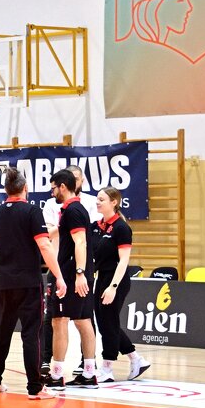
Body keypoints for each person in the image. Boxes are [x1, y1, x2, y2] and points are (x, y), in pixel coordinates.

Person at [0, 167, 65, 398]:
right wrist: (59, 276)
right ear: (25, 188)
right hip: (28, 283)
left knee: (1, 333)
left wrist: (4, 246)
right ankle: (35, 388)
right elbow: (44, 245)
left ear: (6, 189)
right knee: (32, 334)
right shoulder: (31, 211)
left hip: (4, 283)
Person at [38, 163, 98, 377]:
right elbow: (58, 234)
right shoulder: (75, 209)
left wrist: (79, 274)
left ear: (62, 187)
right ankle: (89, 373)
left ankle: (56, 374)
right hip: (75, 273)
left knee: (59, 320)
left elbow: (80, 242)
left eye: (53, 188)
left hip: (71, 275)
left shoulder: (73, 211)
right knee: (83, 320)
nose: (52, 192)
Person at [89, 186, 151, 382]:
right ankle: (136, 359)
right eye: (97, 199)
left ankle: (107, 368)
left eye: (102, 199)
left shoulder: (122, 228)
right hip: (101, 278)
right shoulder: (95, 226)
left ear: (114, 202)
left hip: (117, 280)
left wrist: (113, 287)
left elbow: (124, 260)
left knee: (108, 323)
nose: (97, 202)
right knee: (106, 323)